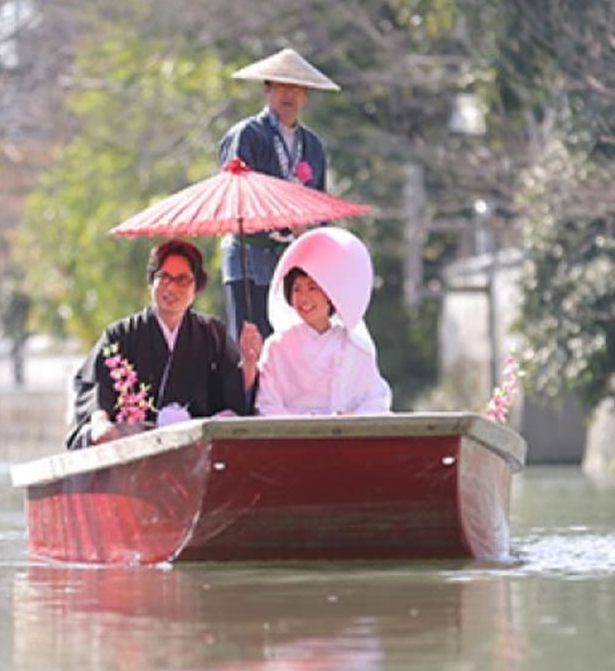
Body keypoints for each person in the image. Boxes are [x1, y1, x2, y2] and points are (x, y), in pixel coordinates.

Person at [66, 239, 255, 448]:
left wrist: (249, 361)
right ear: (151, 282)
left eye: (182, 279)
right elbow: (94, 383)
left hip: (196, 447)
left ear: (196, 287)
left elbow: (233, 396)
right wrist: (100, 421)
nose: (171, 287)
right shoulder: (121, 335)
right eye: (164, 277)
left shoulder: (212, 333)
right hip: (138, 448)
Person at [218, 47, 340, 341]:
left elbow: (320, 205)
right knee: (251, 342)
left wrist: (313, 240)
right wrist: (283, 219)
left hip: (294, 261)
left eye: (297, 88)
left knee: (293, 343)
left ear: (306, 95)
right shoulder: (248, 135)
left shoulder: (313, 145)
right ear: (267, 90)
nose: (289, 95)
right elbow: (236, 195)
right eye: (281, 87)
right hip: (249, 255)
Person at [247, 226, 392, 416]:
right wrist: (303, 424)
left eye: (312, 287)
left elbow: (377, 400)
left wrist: (354, 417)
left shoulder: (353, 346)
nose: (303, 297)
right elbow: (267, 405)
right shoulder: (277, 346)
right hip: (292, 433)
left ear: (331, 292)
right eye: (297, 289)